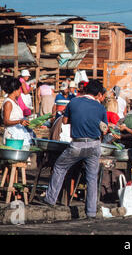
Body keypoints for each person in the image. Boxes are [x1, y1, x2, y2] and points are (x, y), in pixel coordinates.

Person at [42, 80, 109, 218]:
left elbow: (65, 121)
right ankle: (91, 212)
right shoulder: (101, 107)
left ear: (85, 90)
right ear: (98, 94)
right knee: (92, 178)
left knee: (60, 167)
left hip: (77, 144)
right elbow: (104, 130)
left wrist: (78, 119)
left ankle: (50, 199)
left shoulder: (74, 102)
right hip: (94, 145)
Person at [0, 77, 33, 147]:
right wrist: (19, 122)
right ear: (14, 90)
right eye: (19, 89)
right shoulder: (8, 103)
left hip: (19, 131)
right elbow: (5, 121)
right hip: (12, 134)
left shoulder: (15, 101)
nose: (20, 91)